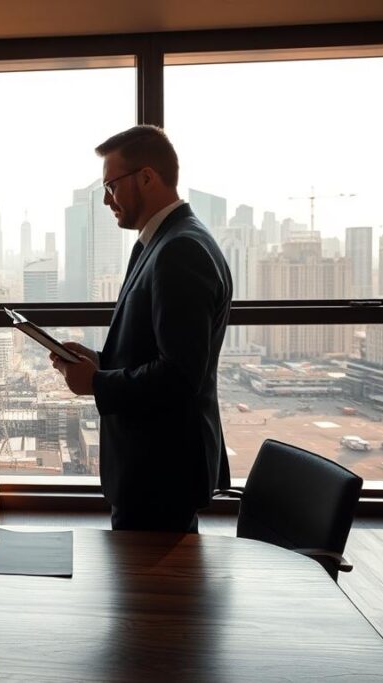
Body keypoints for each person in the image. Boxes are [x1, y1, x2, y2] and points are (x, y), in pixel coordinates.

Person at [50, 125, 232, 533]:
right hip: (153, 466)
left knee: (153, 596)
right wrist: (99, 363)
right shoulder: (159, 243)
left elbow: (179, 375)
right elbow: (156, 351)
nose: (105, 199)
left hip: (161, 470)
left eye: (111, 185)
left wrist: (98, 383)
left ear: (147, 177)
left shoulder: (180, 251)